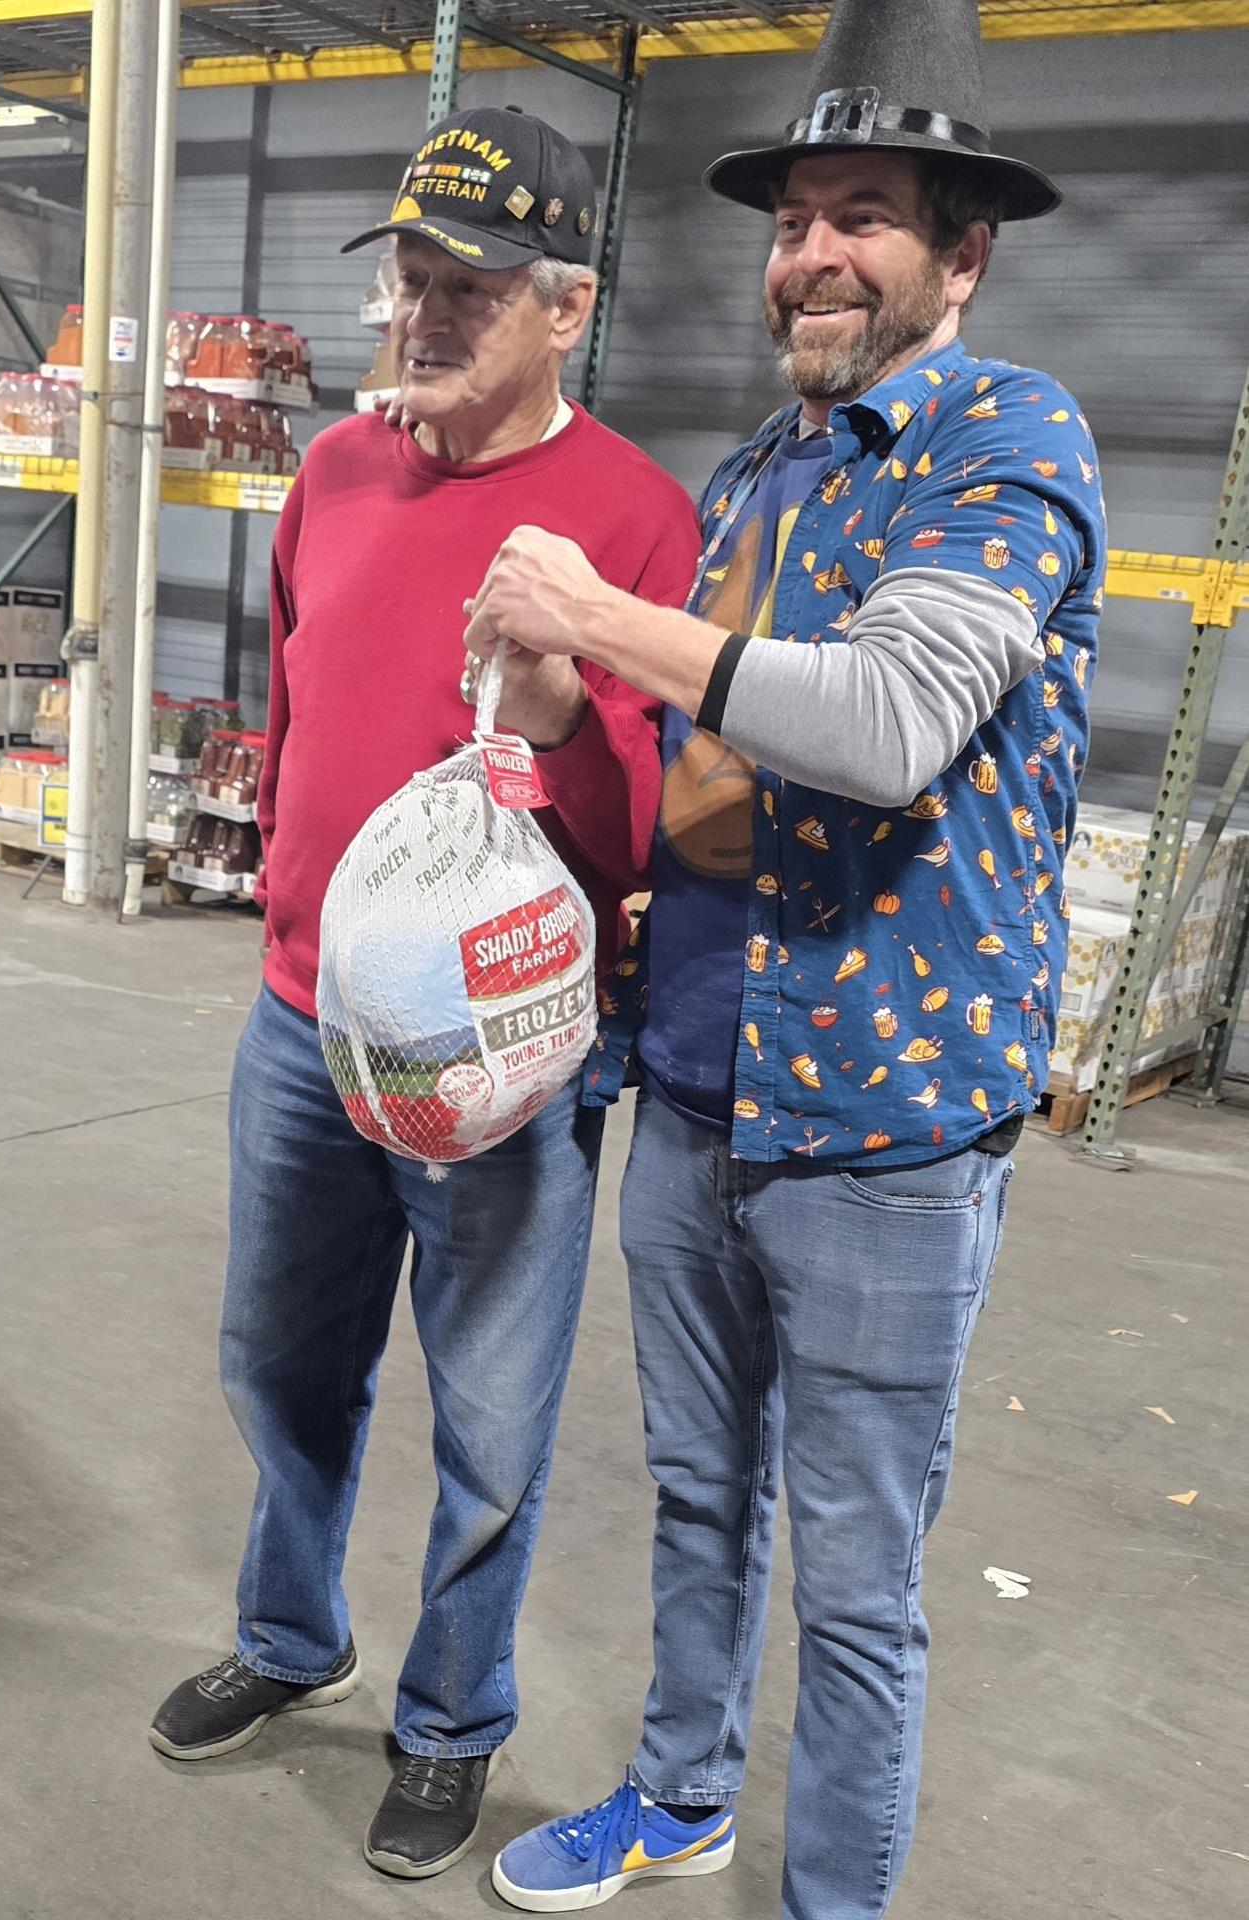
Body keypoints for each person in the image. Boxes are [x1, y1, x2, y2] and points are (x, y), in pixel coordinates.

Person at [476, 3, 1107, 1914]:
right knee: (694, 1494)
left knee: (854, 1581)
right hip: (692, 1082)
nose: (811, 254)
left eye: (863, 217)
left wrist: (604, 615)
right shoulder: (760, 469)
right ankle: (680, 1798)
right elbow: (709, 755)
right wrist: (556, 691)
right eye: (790, 220)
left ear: (960, 254)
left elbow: (891, 721)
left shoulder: (1007, 438)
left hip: (880, 1126)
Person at [148, 106, 702, 1884]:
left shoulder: (634, 519)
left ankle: (452, 1721)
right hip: (303, 1017)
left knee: (490, 1412)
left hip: (497, 1058)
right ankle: (289, 1633)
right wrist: (282, 904)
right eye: (409, 279)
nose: (427, 314)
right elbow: (295, 701)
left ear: (567, 308)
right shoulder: (334, 472)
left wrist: (556, 719)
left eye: (473, 286)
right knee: (279, 1360)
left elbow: (645, 825)